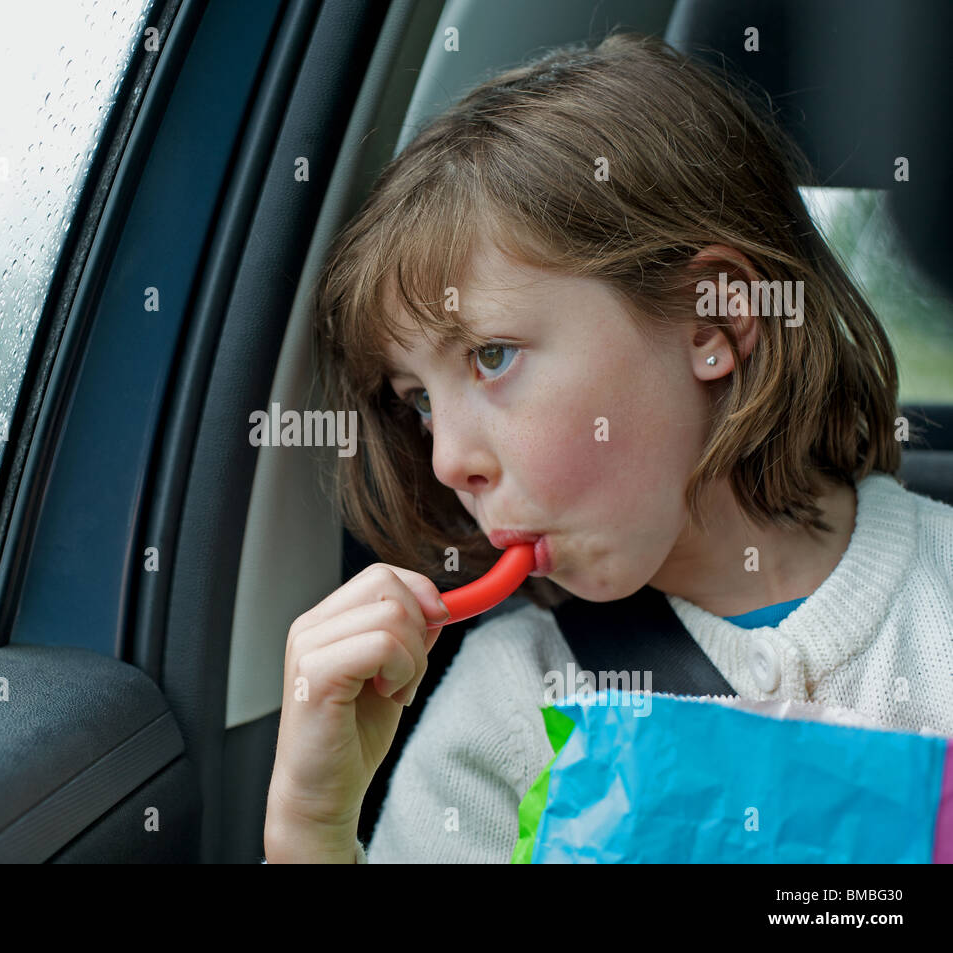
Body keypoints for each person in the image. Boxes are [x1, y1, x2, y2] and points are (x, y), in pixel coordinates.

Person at [262, 32, 953, 863]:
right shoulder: (509, 709)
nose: (447, 459)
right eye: (417, 401)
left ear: (714, 321)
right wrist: (312, 825)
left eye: (491, 356)